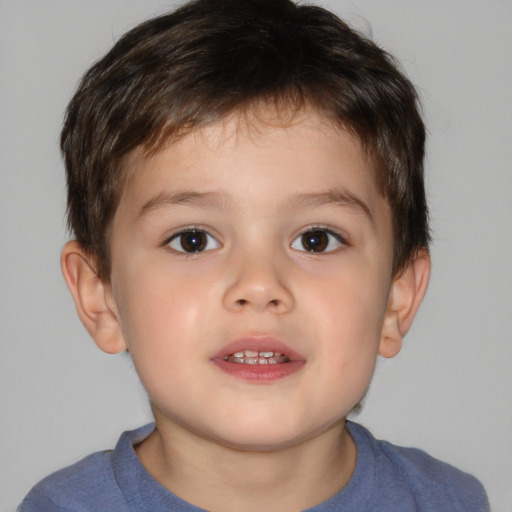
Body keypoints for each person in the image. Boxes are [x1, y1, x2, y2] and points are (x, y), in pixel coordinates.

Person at [19, 0, 489, 510]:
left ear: (397, 298)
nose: (260, 285)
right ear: (100, 297)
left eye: (316, 239)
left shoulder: (450, 501)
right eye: (193, 239)